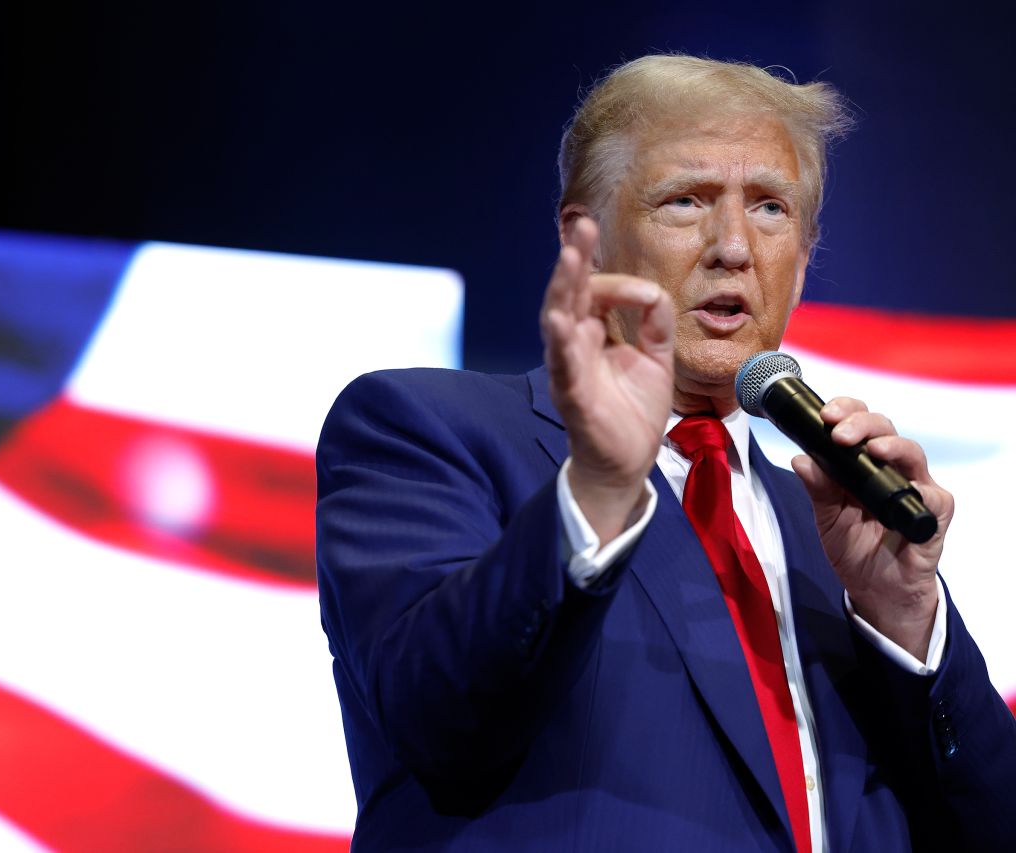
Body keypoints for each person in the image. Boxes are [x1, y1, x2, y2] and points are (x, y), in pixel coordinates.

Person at [315, 55, 1016, 851]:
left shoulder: (842, 527)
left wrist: (906, 618)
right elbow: (436, 716)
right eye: (685, 201)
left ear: (806, 256)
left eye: (771, 208)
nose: (733, 247)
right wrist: (598, 491)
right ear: (583, 240)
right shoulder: (427, 428)